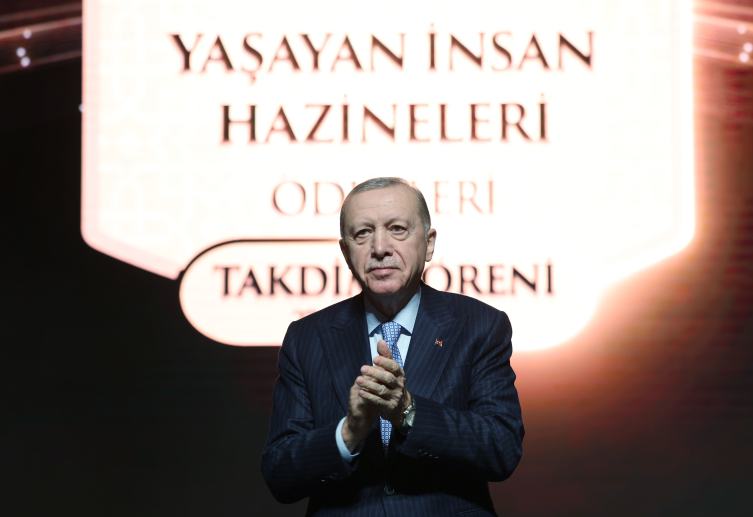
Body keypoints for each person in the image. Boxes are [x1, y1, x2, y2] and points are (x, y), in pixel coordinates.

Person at [261, 177, 524, 516]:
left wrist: (408, 413)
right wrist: (349, 432)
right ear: (346, 252)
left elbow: (501, 449)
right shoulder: (306, 338)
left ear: (428, 244)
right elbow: (280, 473)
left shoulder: (480, 325)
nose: (380, 247)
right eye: (363, 233)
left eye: (397, 229)